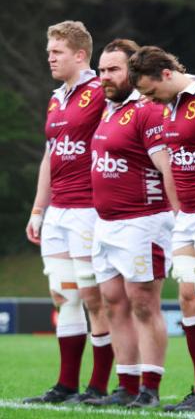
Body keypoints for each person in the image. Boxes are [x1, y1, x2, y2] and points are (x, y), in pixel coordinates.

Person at [129, 45, 195, 412]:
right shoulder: (168, 107)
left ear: (167, 75)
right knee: (188, 299)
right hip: (186, 216)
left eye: (150, 91)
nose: (149, 100)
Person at [24, 20, 114, 405]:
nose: (50, 58)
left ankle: (97, 387)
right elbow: (50, 153)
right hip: (58, 211)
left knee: (95, 298)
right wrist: (38, 208)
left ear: (80, 55)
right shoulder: (56, 97)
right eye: (49, 52)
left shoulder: (100, 92)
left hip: (90, 209)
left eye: (56, 52)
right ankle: (65, 385)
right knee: (63, 295)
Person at [87, 38, 179, 408]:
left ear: (134, 71)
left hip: (144, 223)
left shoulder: (147, 110)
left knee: (143, 303)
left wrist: (180, 217)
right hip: (105, 224)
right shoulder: (107, 110)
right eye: (101, 70)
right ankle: (124, 385)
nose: (105, 77)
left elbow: (168, 167)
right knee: (112, 304)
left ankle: (149, 387)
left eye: (113, 69)